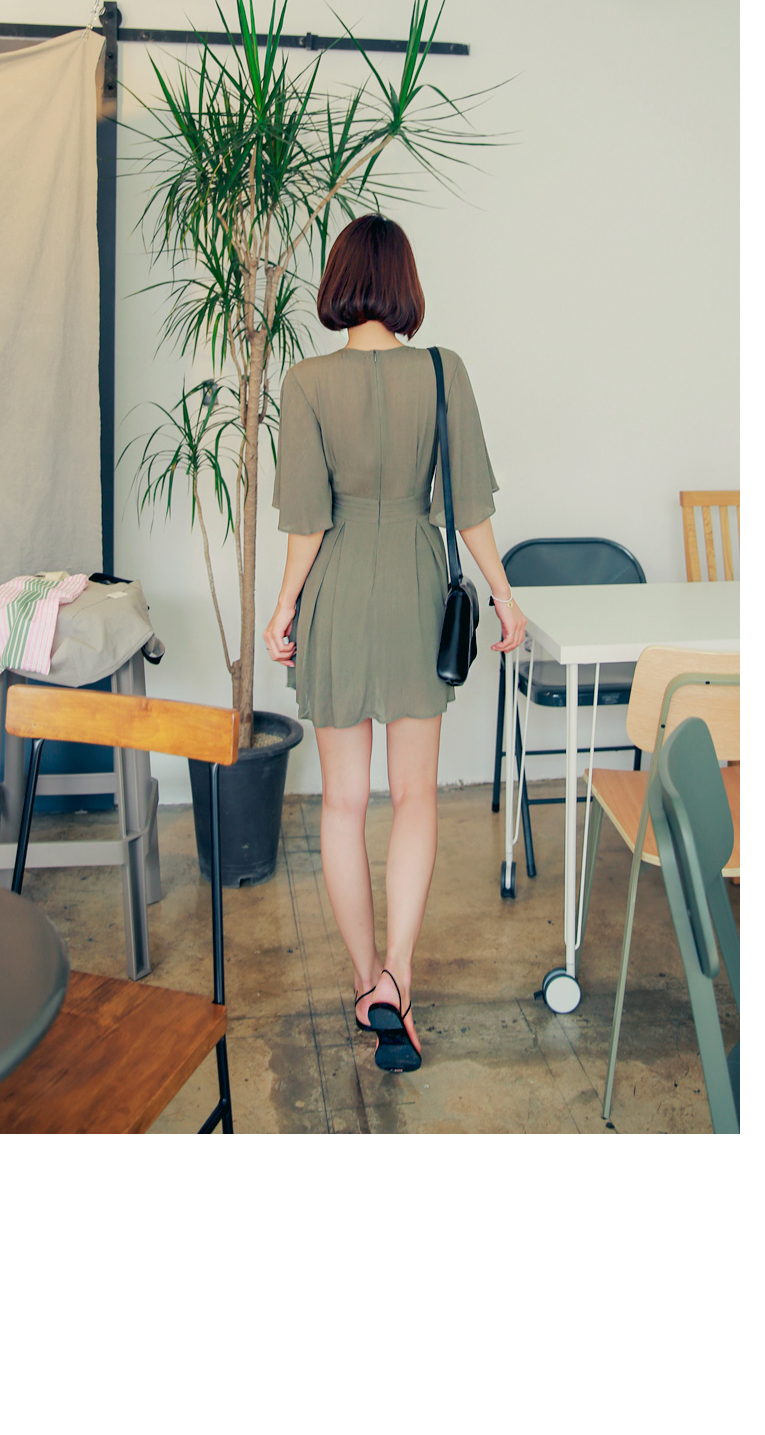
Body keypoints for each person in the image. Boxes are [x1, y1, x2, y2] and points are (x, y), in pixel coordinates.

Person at [262, 214, 527, 1073]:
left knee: (343, 803)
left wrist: (284, 607)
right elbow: (469, 504)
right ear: (405, 283)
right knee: (415, 796)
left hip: (339, 589)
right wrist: (502, 592)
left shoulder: (306, 382)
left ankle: (360, 978)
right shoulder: (444, 372)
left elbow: (307, 522)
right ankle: (398, 977)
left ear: (339, 282)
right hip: (416, 587)